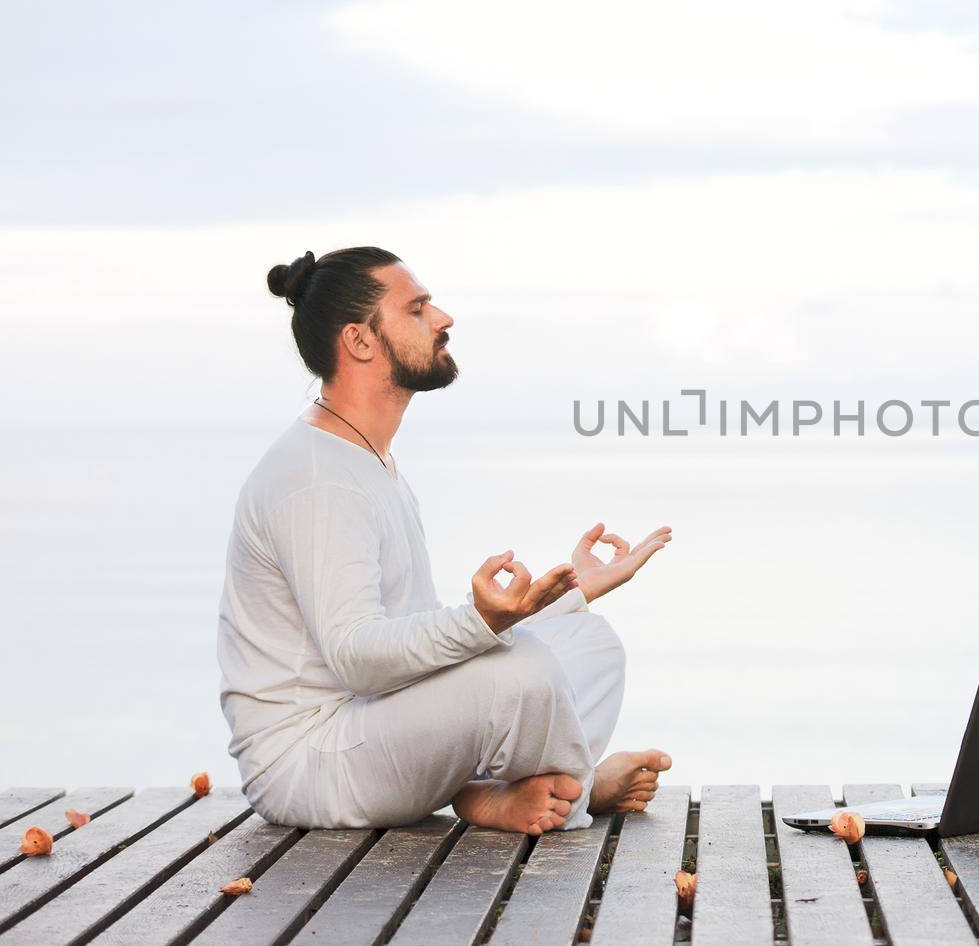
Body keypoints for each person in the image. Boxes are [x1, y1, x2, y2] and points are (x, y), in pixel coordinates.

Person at [217, 246, 671, 832]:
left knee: (585, 640)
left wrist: (562, 595)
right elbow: (357, 658)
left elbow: (408, 632)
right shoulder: (315, 478)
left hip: (373, 726)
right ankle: (576, 790)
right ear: (360, 341)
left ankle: (505, 790)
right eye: (418, 309)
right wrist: (484, 623)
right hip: (312, 763)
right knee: (523, 668)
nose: (443, 319)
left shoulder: (365, 457)